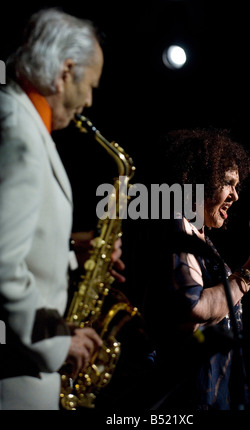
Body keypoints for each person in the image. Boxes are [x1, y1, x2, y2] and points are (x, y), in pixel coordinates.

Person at [0, 8, 123, 410]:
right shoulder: (19, 134)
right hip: (16, 378)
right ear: (65, 71)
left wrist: (74, 250)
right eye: (89, 86)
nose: (87, 102)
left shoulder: (21, 121)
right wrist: (57, 342)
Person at [137, 127, 250, 411]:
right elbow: (191, 311)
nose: (235, 196)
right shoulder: (175, 223)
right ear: (196, 181)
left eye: (237, 187)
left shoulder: (202, 239)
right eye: (228, 183)